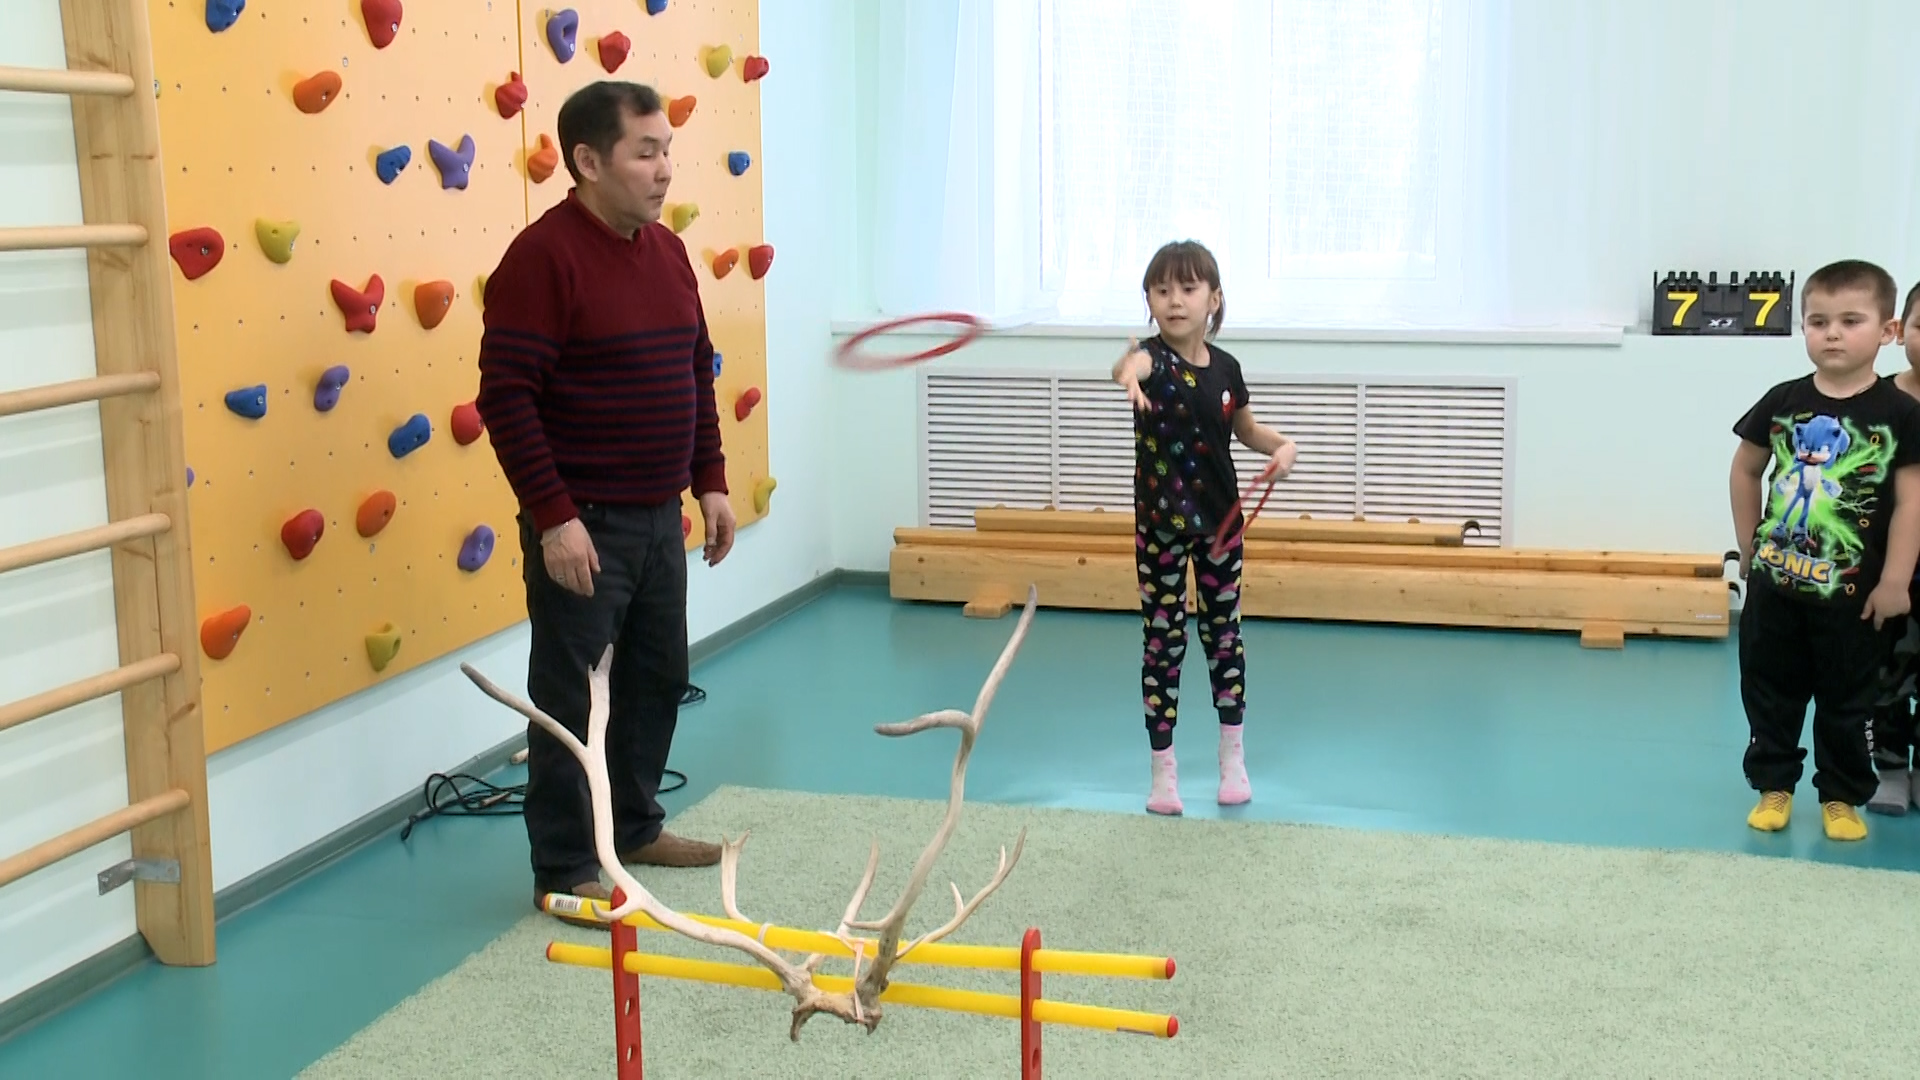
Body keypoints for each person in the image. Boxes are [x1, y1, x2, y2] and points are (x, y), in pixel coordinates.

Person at [476, 81, 736, 921]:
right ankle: (564, 866)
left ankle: (632, 826)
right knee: (574, 698)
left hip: (659, 515)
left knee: (658, 678)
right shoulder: (541, 259)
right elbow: (506, 397)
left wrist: (710, 480)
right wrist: (554, 518)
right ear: (588, 162)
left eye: (668, 150)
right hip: (583, 521)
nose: (664, 169)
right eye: (645, 152)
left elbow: (694, 370)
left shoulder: (667, 252)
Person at [1730, 259, 1920, 841]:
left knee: (1849, 702)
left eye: (1850, 321)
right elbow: (1745, 469)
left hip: (1853, 600)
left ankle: (1841, 795)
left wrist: (1895, 581)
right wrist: (1747, 542)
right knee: (1769, 693)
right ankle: (1774, 785)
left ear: (1887, 331)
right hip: (1776, 589)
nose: (1832, 333)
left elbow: (1911, 503)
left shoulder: (1901, 414)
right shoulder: (1782, 400)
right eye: (1818, 322)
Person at [1110, 240, 1296, 816]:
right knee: (1162, 643)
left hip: (1221, 523)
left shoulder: (1227, 369)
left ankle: (1232, 757)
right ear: (1149, 301)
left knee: (1223, 636)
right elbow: (1128, 367)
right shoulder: (1151, 360)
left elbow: (1247, 429)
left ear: (1213, 299)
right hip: (1161, 528)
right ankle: (1163, 773)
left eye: (1188, 289)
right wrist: (1127, 375)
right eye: (1161, 290)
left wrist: (1283, 446)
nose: (1175, 300)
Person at [1867, 280, 1920, 816]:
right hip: (1887, 571)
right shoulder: (1877, 403)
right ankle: (1889, 769)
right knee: (1885, 677)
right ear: (1901, 331)